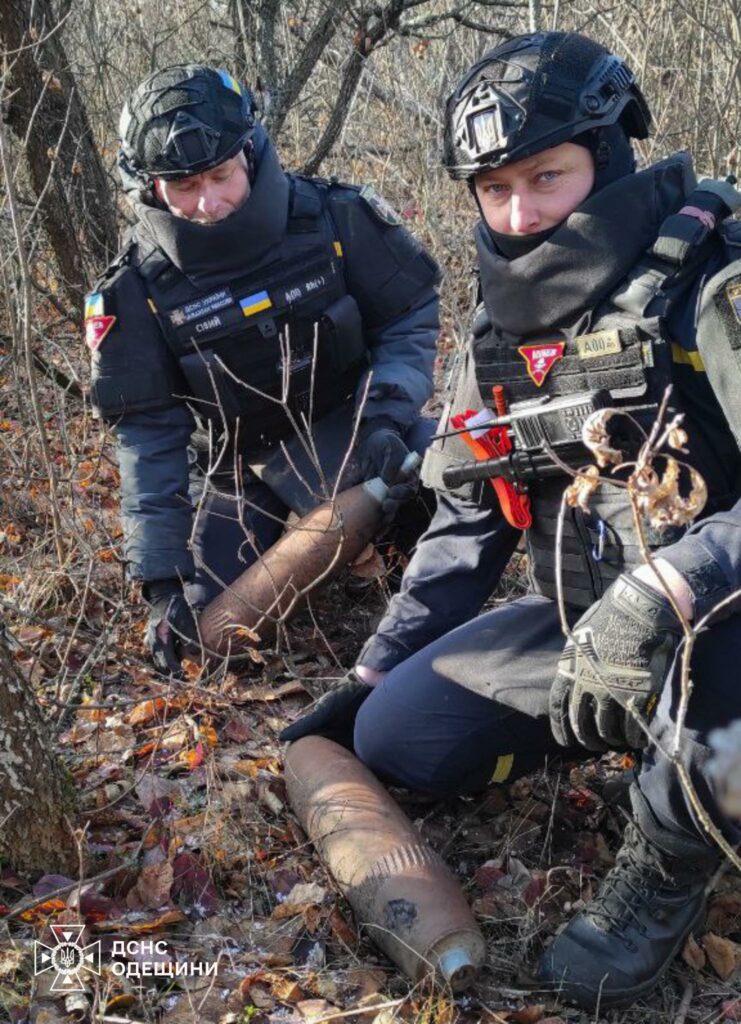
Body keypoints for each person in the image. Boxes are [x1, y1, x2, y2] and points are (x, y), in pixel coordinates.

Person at [281, 31, 741, 1011]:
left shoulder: (714, 273)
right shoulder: (497, 332)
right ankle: (641, 734)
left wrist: (667, 585)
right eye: (495, 188)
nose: (522, 212)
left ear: (610, 156)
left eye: (548, 175)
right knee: (402, 734)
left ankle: (666, 858)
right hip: (589, 630)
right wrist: (366, 673)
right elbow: (461, 526)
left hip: (713, 616)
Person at [86, 65, 440, 673]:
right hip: (230, 473)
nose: (209, 203)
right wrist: (161, 581)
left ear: (249, 152)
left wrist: (386, 413)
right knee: (201, 630)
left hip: (351, 430)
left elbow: (409, 314)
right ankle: (304, 553)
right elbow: (147, 435)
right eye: (183, 185)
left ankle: (384, 555)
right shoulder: (135, 290)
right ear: (147, 185)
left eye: (221, 176)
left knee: (451, 472)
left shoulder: (334, 217)